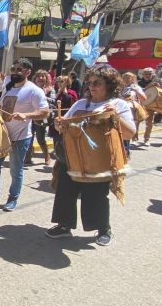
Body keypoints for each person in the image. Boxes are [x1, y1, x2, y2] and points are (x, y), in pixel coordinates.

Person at [46, 65, 136, 246]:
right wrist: (59, 124)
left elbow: (130, 133)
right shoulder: (80, 104)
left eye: (97, 83)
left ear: (109, 85)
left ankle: (103, 228)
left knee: (95, 195)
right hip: (72, 157)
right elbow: (64, 127)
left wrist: (114, 115)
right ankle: (64, 225)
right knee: (65, 192)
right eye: (90, 82)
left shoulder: (119, 104)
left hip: (99, 159)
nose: (92, 86)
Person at [0, 58, 50, 211]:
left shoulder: (34, 90)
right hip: (2, 133)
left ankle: (12, 198)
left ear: (28, 72)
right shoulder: (9, 87)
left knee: (16, 170)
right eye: (13, 69)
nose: (15, 72)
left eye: (19, 70)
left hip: (20, 137)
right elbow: (0, 104)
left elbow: (45, 112)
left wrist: (26, 115)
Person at [25, 70, 54, 166]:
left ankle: (47, 156)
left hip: (41, 117)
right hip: (30, 114)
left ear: (46, 78)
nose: (40, 78)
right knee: (29, 136)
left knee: (40, 138)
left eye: (43, 76)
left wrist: (44, 97)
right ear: (35, 78)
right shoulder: (31, 89)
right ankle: (28, 157)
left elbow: (54, 101)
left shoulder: (50, 89)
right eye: (38, 76)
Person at [136, 67, 162, 146]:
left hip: (150, 105)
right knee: (137, 122)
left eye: (149, 74)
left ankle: (146, 139)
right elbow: (140, 92)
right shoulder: (139, 83)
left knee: (149, 123)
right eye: (146, 74)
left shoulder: (156, 82)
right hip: (140, 104)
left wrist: (159, 87)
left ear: (152, 74)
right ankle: (135, 138)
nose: (147, 75)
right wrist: (150, 86)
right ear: (143, 74)